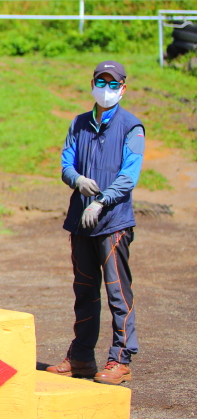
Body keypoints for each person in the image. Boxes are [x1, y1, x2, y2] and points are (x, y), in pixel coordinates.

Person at [47, 60, 145, 385]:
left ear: (123, 88)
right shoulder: (78, 124)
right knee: (84, 291)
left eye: (113, 84)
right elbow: (65, 163)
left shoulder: (132, 128)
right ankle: (81, 357)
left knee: (118, 292)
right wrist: (77, 180)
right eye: (101, 82)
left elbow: (129, 176)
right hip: (80, 221)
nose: (106, 89)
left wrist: (102, 200)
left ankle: (121, 359)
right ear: (92, 83)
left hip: (113, 222)